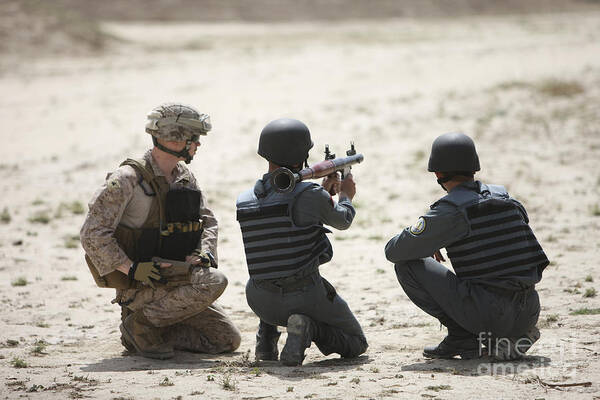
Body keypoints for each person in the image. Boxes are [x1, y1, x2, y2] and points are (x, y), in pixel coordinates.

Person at [81, 102, 241, 360]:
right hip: (141, 284)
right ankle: (140, 325)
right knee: (215, 281)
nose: (198, 144)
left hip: (175, 279)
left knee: (225, 340)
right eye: (194, 138)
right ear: (176, 137)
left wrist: (204, 254)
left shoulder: (183, 176)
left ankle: (147, 331)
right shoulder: (127, 179)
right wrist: (131, 268)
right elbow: (92, 234)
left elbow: (208, 220)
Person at [385, 132, 548, 361]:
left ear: (438, 173)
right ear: (474, 168)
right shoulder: (503, 196)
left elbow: (394, 251)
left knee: (407, 265)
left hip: (490, 312)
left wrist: (431, 239)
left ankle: (465, 337)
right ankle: (510, 335)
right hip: (529, 309)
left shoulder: (450, 210)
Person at [236, 118, 368, 366]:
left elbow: (279, 234)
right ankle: (307, 328)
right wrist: (345, 195)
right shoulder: (309, 194)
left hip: (259, 298)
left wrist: (321, 195)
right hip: (304, 295)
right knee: (356, 342)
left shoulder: (244, 199)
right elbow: (343, 220)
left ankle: (266, 341)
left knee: (272, 261)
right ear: (301, 156)